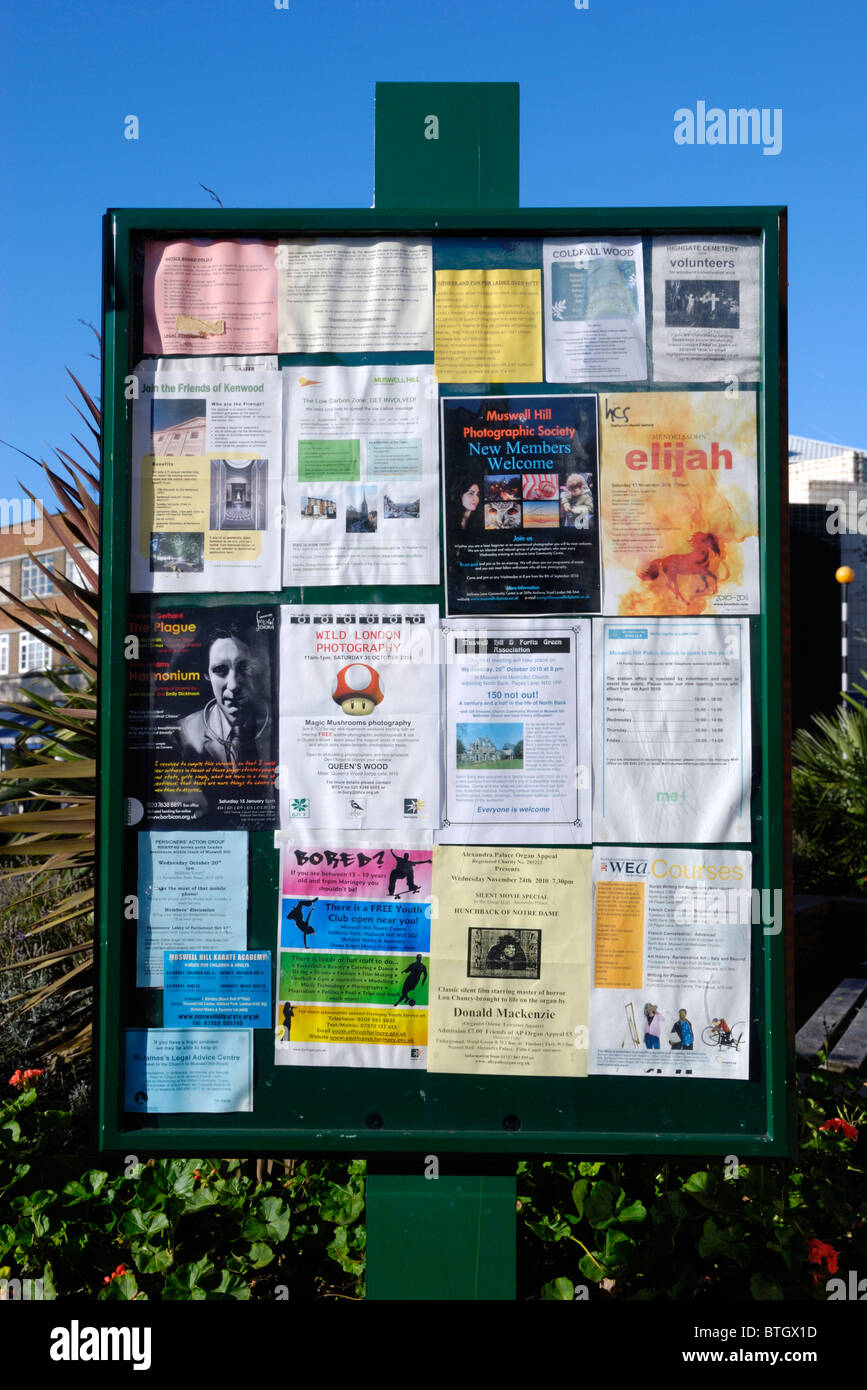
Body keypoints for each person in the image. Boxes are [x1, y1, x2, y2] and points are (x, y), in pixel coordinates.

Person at [176, 625, 270, 763]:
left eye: (244, 667)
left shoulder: (279, 726)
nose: (233, 685)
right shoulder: (183, 733)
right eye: (220, 669)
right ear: (207, 674)